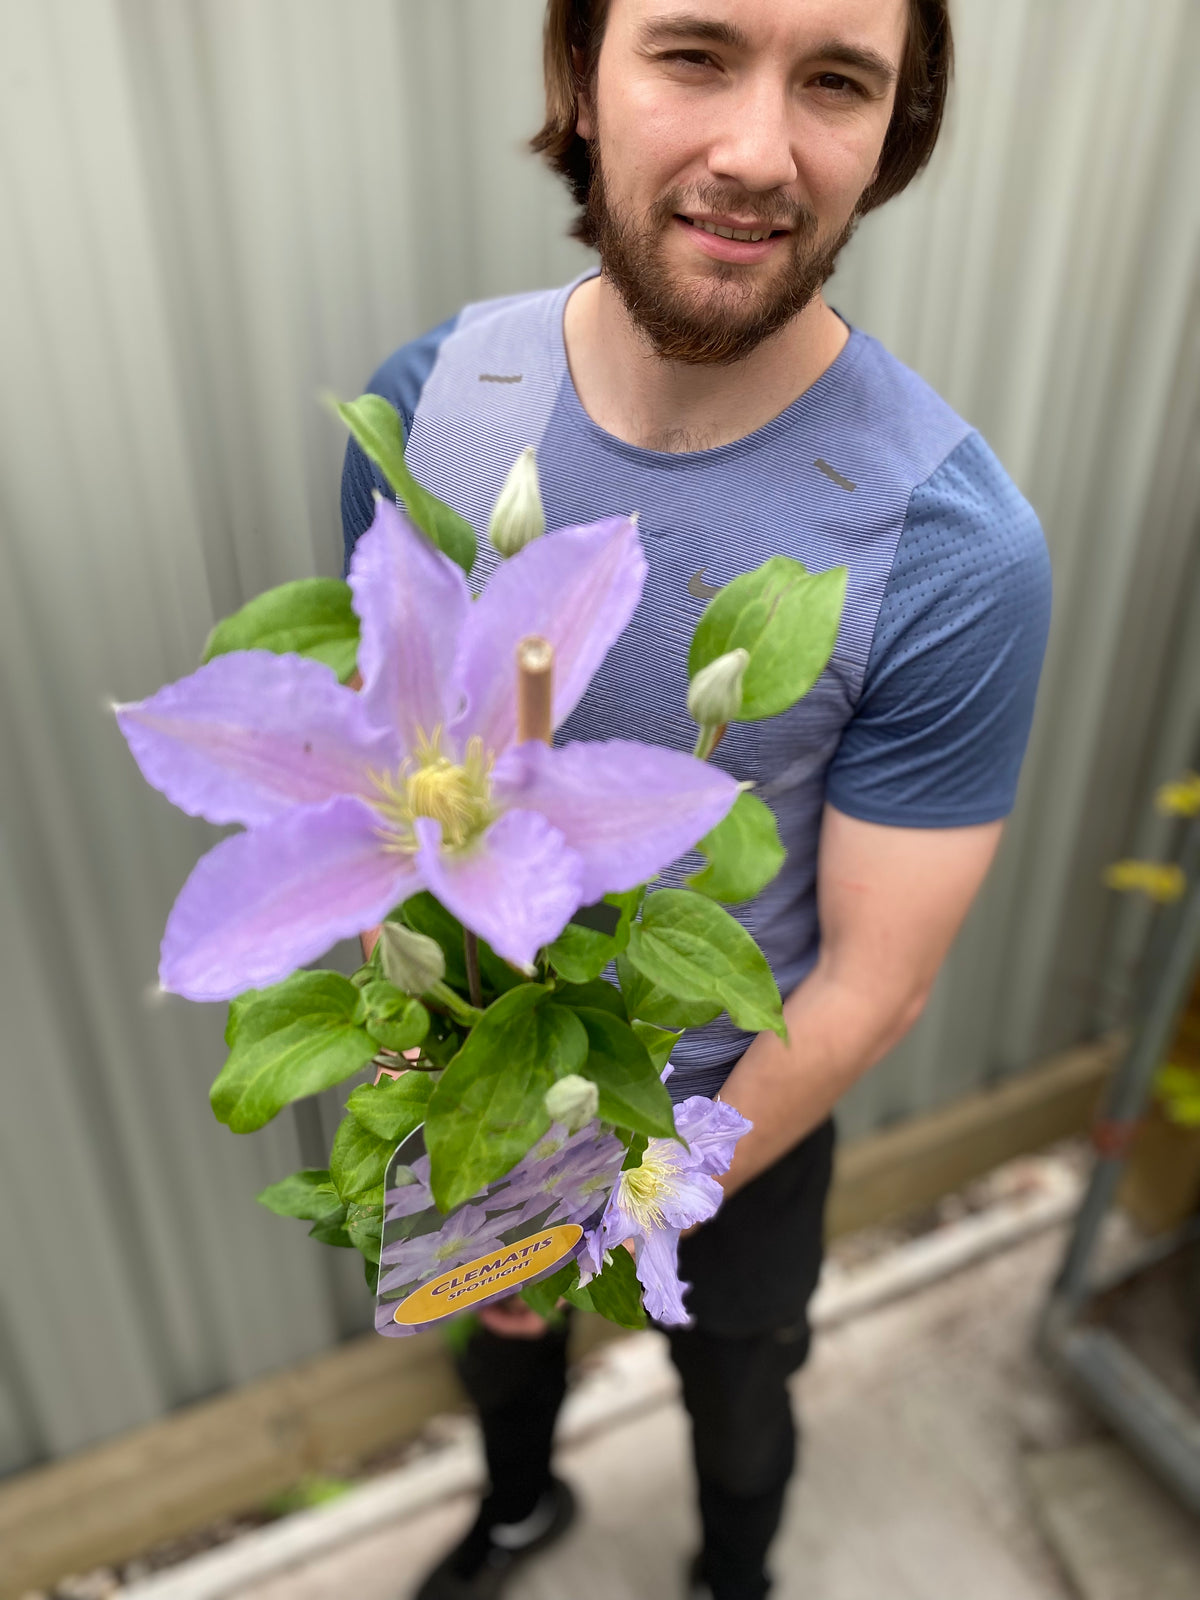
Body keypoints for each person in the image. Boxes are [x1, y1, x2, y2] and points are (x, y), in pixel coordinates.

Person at [340, 2, 1052, 1596]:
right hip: (474, 1075)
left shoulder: (949, 547)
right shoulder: (439, 408)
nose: (755, 150)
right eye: (694, 51)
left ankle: (736, 1569)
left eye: (836, 81)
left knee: (737, 1388)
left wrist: (582, 1204)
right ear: (578, 75)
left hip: (731, 1122)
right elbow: (393, 803)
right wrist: (431, 1093)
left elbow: (879, 979)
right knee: (494, 1356)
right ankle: (520, 1504)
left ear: (891, 129)